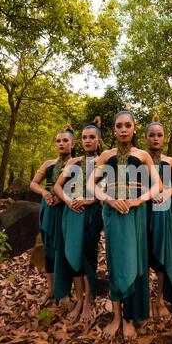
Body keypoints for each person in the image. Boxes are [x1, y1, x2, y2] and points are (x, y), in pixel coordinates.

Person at [86, 110, 162, 339]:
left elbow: (158, 186)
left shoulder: (143, 156)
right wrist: (109, 199)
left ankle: (131, 318)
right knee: (116, 263)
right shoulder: (106, 155)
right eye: (119, 126)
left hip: (136, 213)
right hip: (112, 214)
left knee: (136, 263)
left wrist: (138, 200)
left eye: (128, 125)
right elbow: (91, 184)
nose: (123, 129)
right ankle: (117, 318)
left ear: (135, 128)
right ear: (114, 130)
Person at [54, 118, 103, 323]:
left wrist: (91, 199)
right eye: (84, 137)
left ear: (99, 141)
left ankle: (88, 303)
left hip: (93, 213)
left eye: (92, 137)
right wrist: (67, 201)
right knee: (73, 256)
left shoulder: (105, 161)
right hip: (72, 213)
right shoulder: (73, 162)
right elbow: (58, 186)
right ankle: (79, 300)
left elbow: (109, 189)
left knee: (89, 258)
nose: (87, 140)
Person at [145, 116, 172, 319]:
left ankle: (160, 299)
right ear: (145, 138)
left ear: (164, 139)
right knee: (143, 255)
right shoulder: (140, 159)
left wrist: (167, 192)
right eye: (151, 135)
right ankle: (144, 299)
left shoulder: (170, 161)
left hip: (165, 211)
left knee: (162, 255)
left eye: (159, 135)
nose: (155, 138)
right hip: (143, 211)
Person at [30, 126, 75, 306]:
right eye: (58, 141)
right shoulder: (48, 163)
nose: (61, 144)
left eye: (65, 141)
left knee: (64, 247)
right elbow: (33, 184)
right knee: (48, 248)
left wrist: (63, 199)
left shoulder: (77, 163)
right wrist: (43, 193)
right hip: (48, 208)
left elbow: (80, 188)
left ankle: (64, 292)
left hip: (67, 208)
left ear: (72, 144)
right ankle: (51, 289)